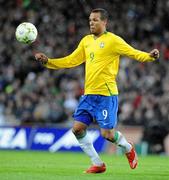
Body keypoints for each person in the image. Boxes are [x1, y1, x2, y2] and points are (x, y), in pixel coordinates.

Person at [35, 8, 159, 173]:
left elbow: (133, 53)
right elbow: (71, 60)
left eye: (95, 20)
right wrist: (48, 62)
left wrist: (150, 56)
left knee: (107, 134)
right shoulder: (86, 41)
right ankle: (98, 164)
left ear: (104, 22)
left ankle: (129, 148)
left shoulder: (113, 40)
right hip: (89, 95)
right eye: (90, 20)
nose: (91, 23)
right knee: (77, 129)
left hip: (106, 95)